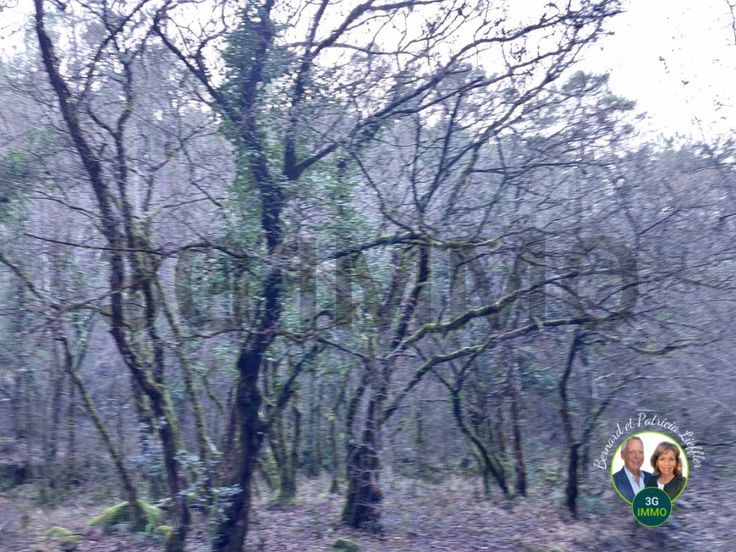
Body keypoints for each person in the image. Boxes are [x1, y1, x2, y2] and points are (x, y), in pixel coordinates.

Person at [612, 436, 651, 502]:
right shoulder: (614, 481)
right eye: (632, 452)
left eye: (640, 452)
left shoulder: (652, 478)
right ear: (622, 455)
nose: (637, 456)